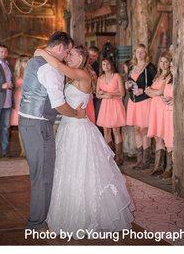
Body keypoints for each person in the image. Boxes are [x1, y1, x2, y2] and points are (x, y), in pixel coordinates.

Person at [34, 45, 133, 237]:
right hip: (68, 127)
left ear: (82, 57)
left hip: (78, 129)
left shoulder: (83, 74)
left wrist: (40, 52)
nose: (68, 57)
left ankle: (88, 216)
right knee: (67, 170)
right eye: (68, 53)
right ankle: (69, 213)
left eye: (72, 54)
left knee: (81, 169)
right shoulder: (74, 76)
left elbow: (56, 64)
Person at [18, 31, 85, 232]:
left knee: (39, 172)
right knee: (44, 175)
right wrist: (76, 114)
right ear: (60, 48)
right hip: (39, 125)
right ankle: (37, 223)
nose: (67, 57)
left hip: (28, 122)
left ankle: (38, 218)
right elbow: (58, 105)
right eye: (67, 52)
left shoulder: (35, 60)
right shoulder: (50, 69)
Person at [125, 44, 156, 170]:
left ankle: (146, 160)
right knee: (137, 129)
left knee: (144, 129)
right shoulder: (132, 67)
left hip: (144, 101)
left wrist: (143, 90)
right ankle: (139, 160)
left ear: (146, 54)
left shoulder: (150, 67)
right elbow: (129, 83)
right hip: (133, 101)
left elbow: (156, 83)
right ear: (135, 53)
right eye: (138, 52)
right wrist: (127, 86)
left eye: (142, 52)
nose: (140, 54)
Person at [96, 57, 126, 165]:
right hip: (105, 106)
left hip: (115, 105)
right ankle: (109, 155)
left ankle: (119, 157)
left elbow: (122, 93)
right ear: (101, 66)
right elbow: (97, 94)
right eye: (103, 64)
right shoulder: (100, 78)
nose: (106, 66)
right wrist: (104, 95)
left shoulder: (117, 76)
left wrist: (111, 94)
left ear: (111, 65)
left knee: (116, 130)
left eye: (108, 64)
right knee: (106, 131)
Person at [146, 51, 172, 175]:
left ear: (170, 63)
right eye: (161, 61)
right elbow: (150, 92)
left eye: (166, 62)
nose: (163, 64)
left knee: (164, 135)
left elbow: (160, 92)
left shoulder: (169, 77)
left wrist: (151, 91)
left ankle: (168, 167)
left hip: (162, 107)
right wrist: (152, 91)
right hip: (154, 107)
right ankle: (158, 166)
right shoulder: (158, 76)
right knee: (157, 137)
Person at [10, 55, 30, 157]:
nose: (27, 63)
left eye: (28, 61)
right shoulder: (16, 74)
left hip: (29, 100)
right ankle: (23, 150)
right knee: (21, 126)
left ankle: (28, 149)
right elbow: (13, 87)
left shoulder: (32, 72)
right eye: (25, 61)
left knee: (28, 126)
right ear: (20, 63)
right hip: (19, 99)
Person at [160, 60, 174, 179]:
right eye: (171, 65)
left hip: (176, 113)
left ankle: (176, 169)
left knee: (175, 140)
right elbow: (163, 93)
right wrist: (164, 99)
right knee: (168, 139)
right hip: (167, 111)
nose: (171, 67)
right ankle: (169, 168)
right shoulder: (169, 78)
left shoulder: (183, 78)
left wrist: (176, 100)